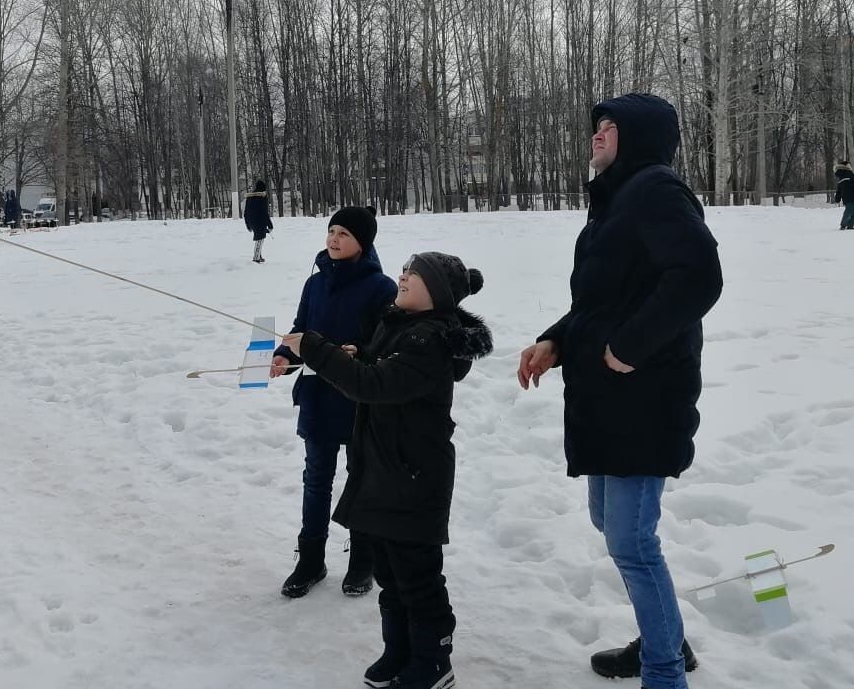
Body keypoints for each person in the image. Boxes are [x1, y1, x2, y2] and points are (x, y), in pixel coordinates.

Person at [517, 93, 723, 689]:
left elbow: (699, 277)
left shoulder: (656, 189)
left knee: (632, 538)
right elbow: (601, 303)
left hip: (644, 397)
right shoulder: (615, 202)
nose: (597, 135)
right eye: (595, 127)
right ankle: (665, 637)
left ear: (640, 137)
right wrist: (556, 340)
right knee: (611, 522)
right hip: (608, 398)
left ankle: (663, 670)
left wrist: (631, 346)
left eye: (610, 128)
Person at [283, 251, 491, 689]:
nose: (402, 276)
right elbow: (379, 368)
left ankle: (434, 662)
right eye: (405, 270)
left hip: (415, 475)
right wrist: (358, 353)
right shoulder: (402, 327)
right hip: (386, 468)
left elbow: (373, 385)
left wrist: (315, 349)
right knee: (390, 573)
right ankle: (400, 650)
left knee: (417, 575)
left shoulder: (429, 338)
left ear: (435, 291)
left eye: (413, 274)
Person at [269, 207, 397, 599]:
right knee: (317, 479)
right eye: (331, 231)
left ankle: (362, 558)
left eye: (344, 233)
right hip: (318, 395)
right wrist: (282, 356)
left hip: (358, 397)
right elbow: (300, 330)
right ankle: (310, 558)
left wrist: (361, 352)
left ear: (364, 241)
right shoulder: (315, 284)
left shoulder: (382, 288)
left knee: (361, 478)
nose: (334, 239)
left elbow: (387, 342)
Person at [243, 180, 272, 263]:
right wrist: (270, 225)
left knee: (259, 238)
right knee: (260, 239)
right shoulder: (262, 198)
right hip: (260, 221)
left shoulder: (250, 198)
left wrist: (248, 224)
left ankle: (258, 255)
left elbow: (246, 212)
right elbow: (264, 213)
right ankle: (256, 258)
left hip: (252, 221)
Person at [835, 160, 854, 230]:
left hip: (850, 197)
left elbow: (839, 190)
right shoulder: (849, 175)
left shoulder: (841, 178)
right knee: (850, 211)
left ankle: (850, 225)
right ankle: (843, 225)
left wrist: (837, 198)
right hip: (851, 196)